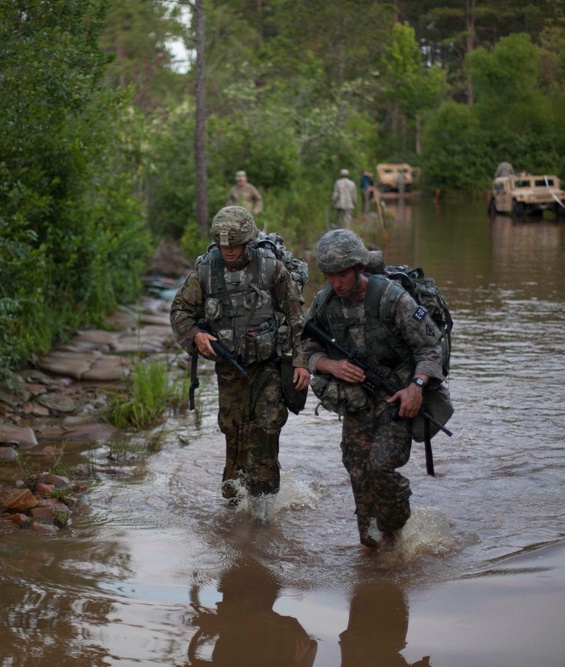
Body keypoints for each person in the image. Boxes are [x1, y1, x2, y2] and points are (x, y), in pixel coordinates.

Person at [303, 229, 444, 549]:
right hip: (357, 402)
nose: (336, 283)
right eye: (329, 275)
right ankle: (370, 542)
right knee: (356, 469)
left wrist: (417, 387)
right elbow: (306, 350)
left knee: (380, 467)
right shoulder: (324, 304)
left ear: (359, 268)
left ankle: (393, 532)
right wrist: (330, 365)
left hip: (397, 398)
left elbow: (429, 347)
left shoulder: (391, 298)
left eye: (342, 274)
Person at [170, 206, 309, 515]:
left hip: (268, 365)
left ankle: (263, 509)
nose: (228, 251)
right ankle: (233, 505)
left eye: (234, 245)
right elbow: (180, 311)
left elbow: (297, 318)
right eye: (223, 246)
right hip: (229, 368)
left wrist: (301, 361)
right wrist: (194, 335)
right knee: (234, 431)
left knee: (267, 427)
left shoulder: (271, 269)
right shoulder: (206, 271)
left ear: (247, 241)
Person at [188, 556, 318, 666]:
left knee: (231, 611)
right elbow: (266, 629)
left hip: (263, 635)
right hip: (286, 643)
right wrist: (224, 625)